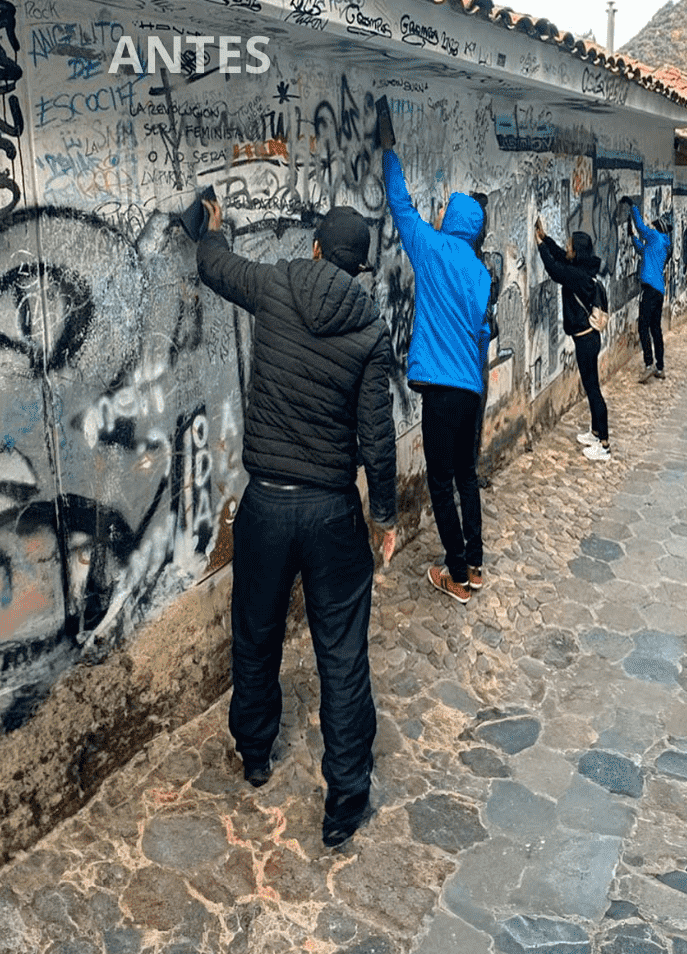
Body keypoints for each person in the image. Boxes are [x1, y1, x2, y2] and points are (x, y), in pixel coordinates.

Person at [188, 192, 396, 850]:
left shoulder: (276, 285)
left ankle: (254, 753)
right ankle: (345, 801)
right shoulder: (370, 328)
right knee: (341, 654)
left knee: (256, 634)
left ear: (313, 248)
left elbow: (217, 268)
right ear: (358, 269)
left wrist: (211, 231)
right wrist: (384, 515)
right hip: (333, 510)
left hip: (268, 506)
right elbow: (377, 439)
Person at [378, 103, 491, 603]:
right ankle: (478, 562)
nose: (439, 210)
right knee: (466, 475)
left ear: (456, 220)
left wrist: (389, 152)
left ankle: (458, 575)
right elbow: (482, 332)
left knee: (440, 483)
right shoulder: (481, 272)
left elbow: (401, 205)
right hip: (472, 389)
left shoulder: (431, 247)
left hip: (442, 392)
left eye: (446, 207)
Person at [535, 218, 612, 461]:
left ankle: (604, 445)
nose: (567, 249)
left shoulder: (577, 276)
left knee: (593, 389)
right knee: (591, 388)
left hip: (586, 341)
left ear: (577, 251)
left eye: (570, 247)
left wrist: (539, 246)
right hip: (587, 339)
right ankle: (595, 432)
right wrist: (545, 238)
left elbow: (554, 267)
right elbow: (560, 256)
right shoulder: (583, 267)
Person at [624, 197, 673, 380]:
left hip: (650, 290)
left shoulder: (654, 236)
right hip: (658, 290)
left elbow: (641, 228)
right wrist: (631, 237)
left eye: (654, 226)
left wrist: (632, 206)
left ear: (658, 228)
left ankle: (649, 364)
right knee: (655, 328)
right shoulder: (660, 244)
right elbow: (641, 250)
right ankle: (660, 367)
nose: (651, 229)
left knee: (643, 327)